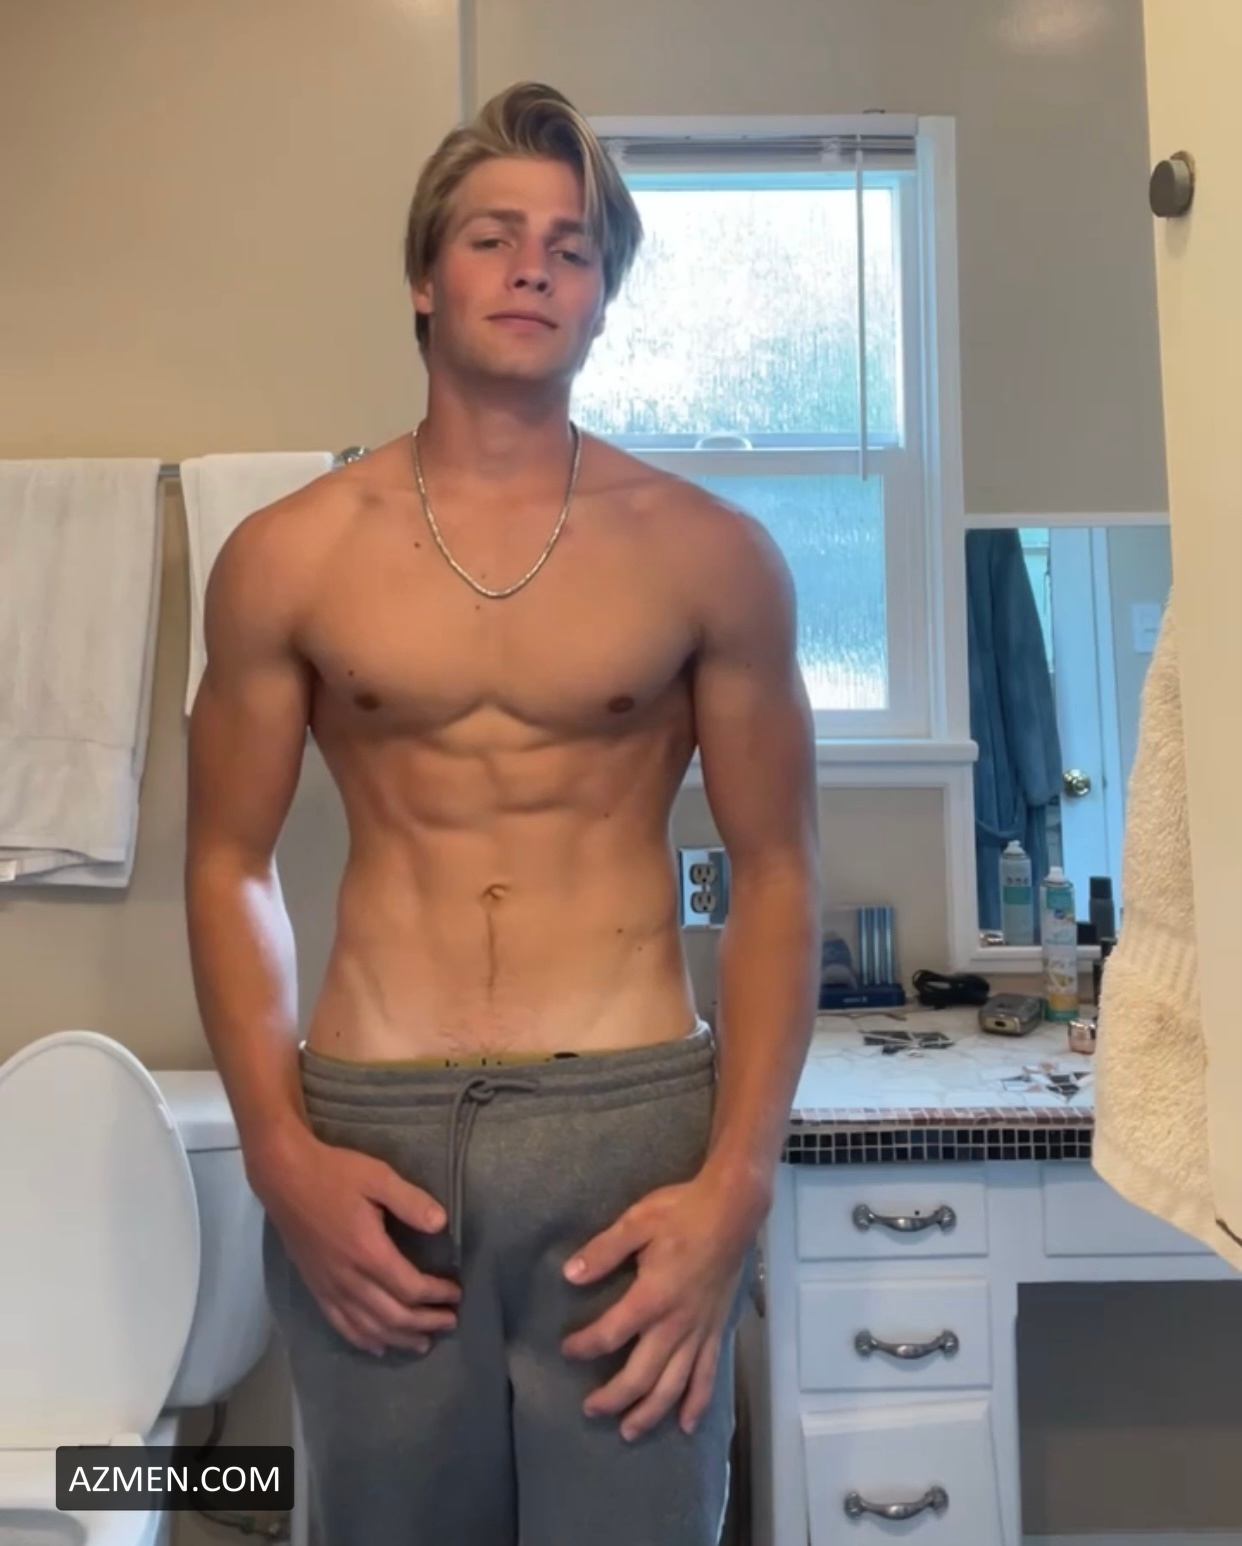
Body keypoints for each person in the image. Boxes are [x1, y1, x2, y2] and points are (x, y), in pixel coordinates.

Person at [184, 78, 821, 1546]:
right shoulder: (287, 557)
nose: (535, 267)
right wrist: (278, 1152)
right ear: (424, 277)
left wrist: (736, 1185)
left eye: (572, 247)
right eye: (493, 236)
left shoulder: (710, 556)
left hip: (630, 1130)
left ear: (602, 302)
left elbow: (778, 871)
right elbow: (226, 864)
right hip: (371, 1134)